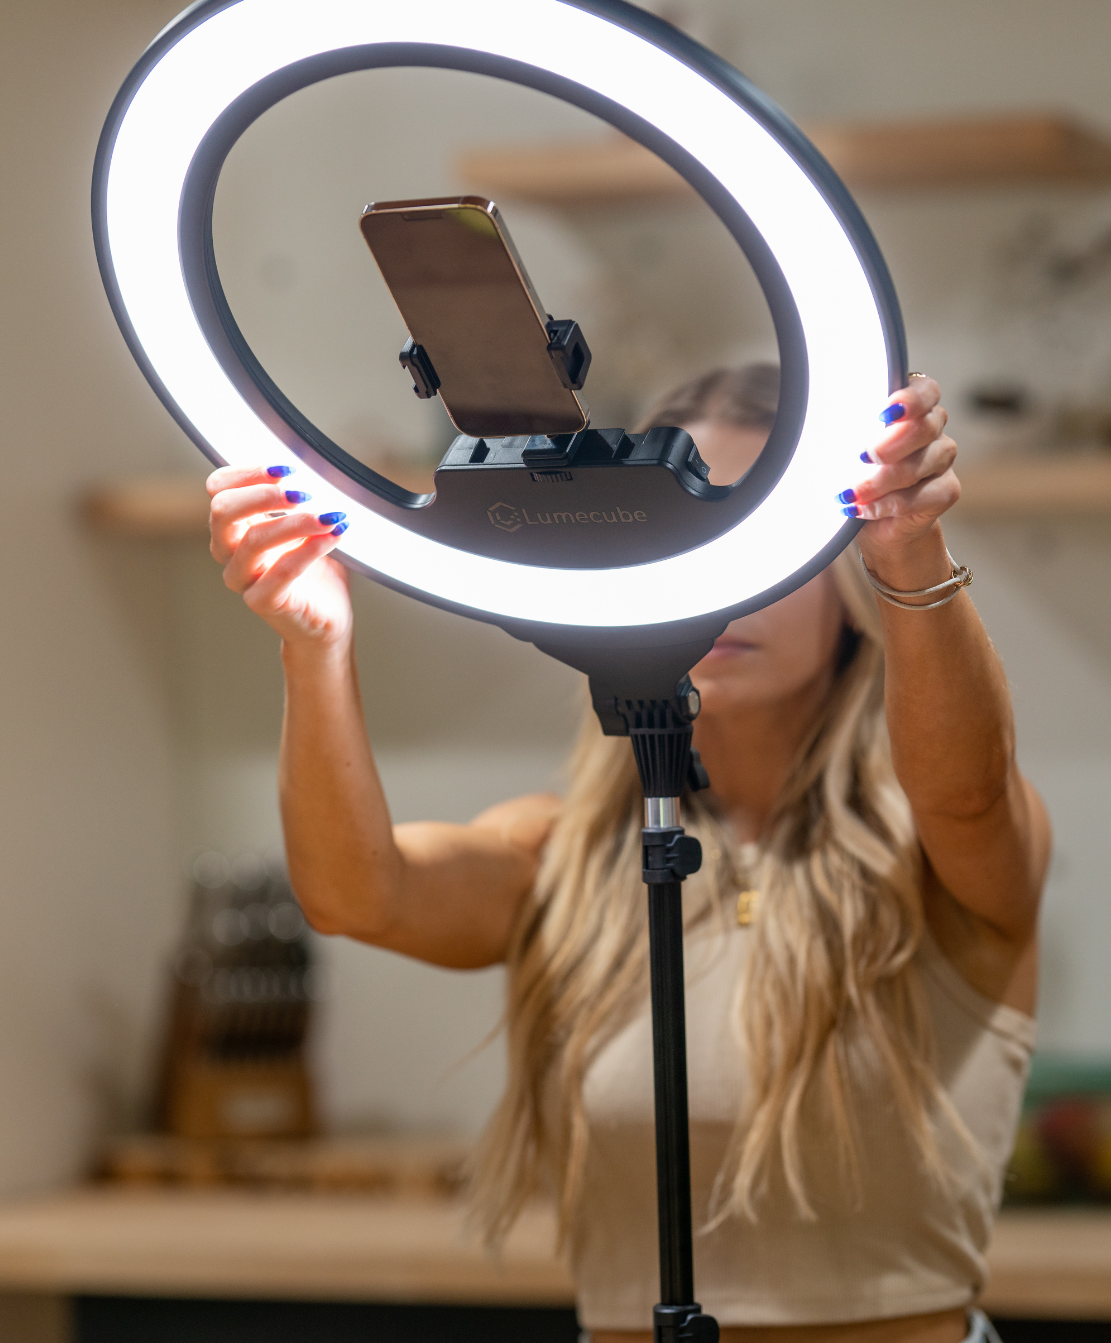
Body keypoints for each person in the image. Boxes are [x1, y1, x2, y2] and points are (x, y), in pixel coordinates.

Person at [206, 364, 1049, 1343]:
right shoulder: (560, 853)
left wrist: (908, 553)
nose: (720, 587)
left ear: (834, 567)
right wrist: (314, 652)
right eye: (679, 535)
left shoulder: (935, 854)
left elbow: (965, 791)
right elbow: (359, 893)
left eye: (748, 535)